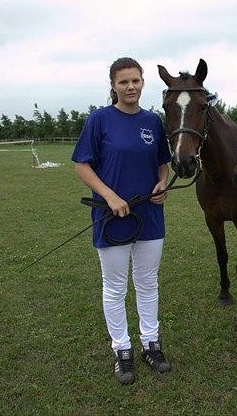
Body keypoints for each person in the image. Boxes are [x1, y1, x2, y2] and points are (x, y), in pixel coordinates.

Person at [71, 57, 172, 385]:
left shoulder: (153, 122)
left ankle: (150, 344)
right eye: (123, 82)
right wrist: (111, 197)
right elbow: (82, 165)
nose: (130, 87)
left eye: (136, 81)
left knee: (147, 282)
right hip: (110, 216)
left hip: (149, 216)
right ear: (113, 85)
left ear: (143, 83)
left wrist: (161, 183)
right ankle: (122, 350)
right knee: (114, 286)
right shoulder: (100, 119)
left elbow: (162, 162)